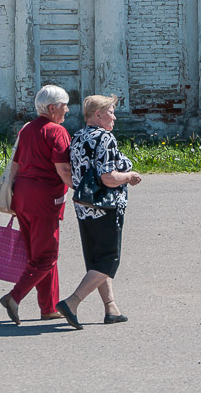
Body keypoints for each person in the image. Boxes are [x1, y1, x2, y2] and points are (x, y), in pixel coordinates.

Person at [56, 94, 142, 329]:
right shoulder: (105, 138)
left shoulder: (78, 136)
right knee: (108, 261)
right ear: (98, 115)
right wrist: (129, 177)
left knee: (96, 259)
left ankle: (111, 308)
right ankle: (72, 302)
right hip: (105, 206)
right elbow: (108, 177)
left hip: (84, 205)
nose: (114, 116)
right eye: (111, 112)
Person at [0, 85, 73, 325]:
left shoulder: (26, 129)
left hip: (23, 196)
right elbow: (63, 168)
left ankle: (49, 307)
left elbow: (16, 165)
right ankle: (14, 297)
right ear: (52, 108)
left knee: (37, 254)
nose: (67, 110)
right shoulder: (57, 131)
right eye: (64, 105)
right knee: (47, 256)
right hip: (45, 199)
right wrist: (81, 188)